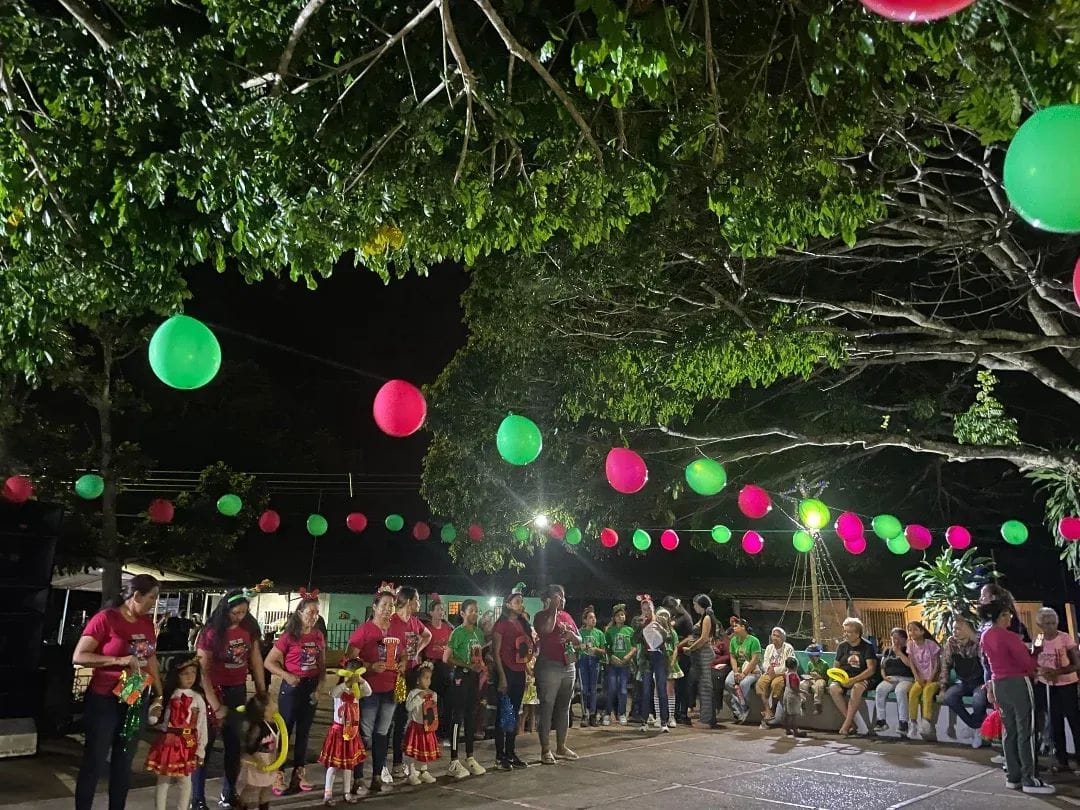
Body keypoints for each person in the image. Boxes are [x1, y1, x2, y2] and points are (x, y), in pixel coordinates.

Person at [73, 573, 164, 810]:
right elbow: (79, 656)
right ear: (136, 595)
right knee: (95, 760)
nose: (154, 603)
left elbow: (150, 658)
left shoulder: (146, 624)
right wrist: (119, 660)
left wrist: (159, 693)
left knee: (124, 762)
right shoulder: (106, 619)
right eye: (152, 597)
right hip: (104, 699)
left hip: (134, 697)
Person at [193, 587, 267, 810]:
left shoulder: (249, 629)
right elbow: (202, 670)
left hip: (237, 690)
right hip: (214, 691)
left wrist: (262, 692)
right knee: (204, 748)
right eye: (235, 613)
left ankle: (229, 793)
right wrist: (215, 704)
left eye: (243, 612)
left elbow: (255, 661)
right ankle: (197, 799)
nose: (239, 617)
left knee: (234, 746)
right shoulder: (211, 633)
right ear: (225, 610)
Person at [978, 599, 1054, 795]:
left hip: (999, 684)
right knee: (1025, 731)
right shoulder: (1009, 636)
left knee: (1008, 730)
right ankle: (1030, 779)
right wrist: (1037, 650)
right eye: (1006, 614)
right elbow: (1027, 663)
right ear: (999, 616)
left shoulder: (985, 636)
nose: (1010, 617)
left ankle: (1013, 777)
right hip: (1018, 684)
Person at [263, 589, 325, 796]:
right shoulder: (289, 636)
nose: (314, 616)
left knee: (304, 732)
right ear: (299, 613)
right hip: (291, 688)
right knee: (285, 731)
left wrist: (319, 688)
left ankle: (299, 772)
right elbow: (269, 662)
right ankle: (278, 773)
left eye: (317, 612)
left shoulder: (318, 635)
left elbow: (322, 665)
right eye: (310, 612)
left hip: (310, 687)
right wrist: (286, 675)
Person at [344, 584, 401, 797]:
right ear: (375, 607)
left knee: (382, 733)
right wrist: (368, 667)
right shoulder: (365, 630)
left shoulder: (395, 630)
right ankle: (358, 777)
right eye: (384, 605)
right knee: (364, 734)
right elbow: (349, 658)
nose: (388, 609)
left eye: (391, 605)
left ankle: (377, 776)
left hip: (390, 688)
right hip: (368, 690)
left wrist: (403, 662)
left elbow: (402, 652)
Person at [145, 656, 208, 810]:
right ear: (176, 675)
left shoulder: (198, 698)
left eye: (193, 672)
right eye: (185, 673)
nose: (190, 677)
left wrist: (201, 749)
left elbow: (202, 725)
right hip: (168, 742)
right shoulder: (168, 695)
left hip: (187, 743)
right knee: (163, 781)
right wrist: (154, 712)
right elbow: (154, 720)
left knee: (185, 782)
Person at [534, 584, 581, 764]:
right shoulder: (541, 616)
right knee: (547, 707)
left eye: (562, 596)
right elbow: (545, 630)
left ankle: (561, 746)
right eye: (558, 596)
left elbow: (579, 639)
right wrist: (552, 609)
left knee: (564, 707)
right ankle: (545, 749)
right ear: (548, 599)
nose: (562, 599)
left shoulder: (567, 616)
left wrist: (572, 637)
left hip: (568, 665)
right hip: (549, 666)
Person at [388, 587, 432, 780]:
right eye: (417, 600)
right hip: (393, 675)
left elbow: (428, 636)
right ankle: (387, 763)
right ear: (407, 601)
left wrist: (417, 651)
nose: (419, 604)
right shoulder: (391, 621)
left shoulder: (415, 622)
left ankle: (401, 762)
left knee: (405, 719)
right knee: (390, 718)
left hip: (411, 673)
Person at [444, 598, 488, 778]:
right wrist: (467, 666)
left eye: (476, 610)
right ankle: (454, 760)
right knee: (458, 716)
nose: (475, 613)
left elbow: (481, 655)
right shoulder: (457, 633)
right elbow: (446, 658)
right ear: (462, 613)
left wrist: (482, 666)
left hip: (474, 678)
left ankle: (470, 756)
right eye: (471, 610)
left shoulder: (479, 633)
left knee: (471, 715)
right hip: (460, 677)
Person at [1033, 607, 1080, 773]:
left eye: (1053, 623)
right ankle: (1062, 760)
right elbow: (1034, 659)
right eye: (1046, 624)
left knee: (1075, 721)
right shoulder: (1039, 639)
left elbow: (1076, 664)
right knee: (1055, 722)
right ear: (1040, 625)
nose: (1051, 627)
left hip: (1067, 684)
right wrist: (1042, 671)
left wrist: (1057, 672)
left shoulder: (1065, 638)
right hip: (1048, 686)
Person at [491, 588, 533, 770]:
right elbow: (496, 652)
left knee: (514, 714)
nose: (520, 604)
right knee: (504, 714)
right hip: (506, 672)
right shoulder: (501, 625)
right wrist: (501, 677)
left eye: (521, 601)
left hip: (519, 671)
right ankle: (500, 755)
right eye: (516, 601)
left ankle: (511, 752)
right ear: (507, 604)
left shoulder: (523, 623)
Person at [318, 660, 370, 805]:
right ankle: (327, 793)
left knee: (349, 765)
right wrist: (345, 684)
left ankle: (346, 792)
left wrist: (361, 680)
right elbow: (333, 693)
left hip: (352, 731)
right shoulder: (339, 690)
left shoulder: (357, 692)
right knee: (333, 765)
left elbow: (369, 691)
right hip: (338, 732)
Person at [939, 615, 988, 748]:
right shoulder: (951, 643)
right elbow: (945, 666)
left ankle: (976, 728)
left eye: (958, 629)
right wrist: (943, 688)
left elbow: (985, 663)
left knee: (979, 701)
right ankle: (975, 725)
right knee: (949, 697)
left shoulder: (978, 642)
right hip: (963, 682)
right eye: (953, 628)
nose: (954, 631)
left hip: (980, 681)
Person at [829, 617, 877, 736]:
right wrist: (842, 680)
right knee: (833, 688)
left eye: (848, 632)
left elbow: (871, 669)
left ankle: (846, 725)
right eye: (844, 631)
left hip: (862, 678)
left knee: (857, 688)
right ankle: (851, 723)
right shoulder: (842, 646)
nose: (845, 634)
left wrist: (853, 680)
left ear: (857, 633)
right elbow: (836, 667)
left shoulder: (867, 646)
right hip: (845, 678)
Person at [682, 595, 721, 728]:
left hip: (704, 654)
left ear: (700, 605)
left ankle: (708, 719)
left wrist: (691, 648)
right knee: (703, 686)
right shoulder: (703, 617)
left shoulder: (707, 618)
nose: (694, 607)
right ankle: (706, 717)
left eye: (695, 605)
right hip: (699, 654)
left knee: (706, 687)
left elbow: (704, 638)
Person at [235, 693, 278, 810]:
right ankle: (241, 806)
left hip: (270, 761)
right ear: (265, 709)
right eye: (272, 702)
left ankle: (264, 807)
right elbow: (247, 750)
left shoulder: (275, 724)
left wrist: (277, 762)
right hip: (257, 762)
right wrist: (256, 762)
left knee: (267, 787)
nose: (275, 704)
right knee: (252, 787)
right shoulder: (258, 727)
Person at [402, 661, 441, 786]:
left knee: (425, 750)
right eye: (425, 678)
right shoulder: (413, 693)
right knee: (413, 751)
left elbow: (434, 710)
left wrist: (432, 698)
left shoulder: (433, 693)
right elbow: (408, 707)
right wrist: (419, 697)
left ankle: (424, 770)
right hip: (415, 726)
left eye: (430, 678)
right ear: (418, 680)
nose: (428, 681)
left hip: (427, 727)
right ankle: (412, 773)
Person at [874, 627, 914, 735]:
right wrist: (884, 676)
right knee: (880, 690)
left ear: (904, 639)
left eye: (898, 638)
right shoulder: (887, 650)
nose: (895, 641)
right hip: (891, 677)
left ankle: (903, 722)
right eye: (893, 638)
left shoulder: (908, 649)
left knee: (900, 691)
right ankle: (881, 721)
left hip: (906, 678)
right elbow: (882, 665)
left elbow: (910, 665)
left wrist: (899, 653)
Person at [423, 595, 452, 740]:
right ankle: (429, 730)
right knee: (431, 700)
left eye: (443, 609)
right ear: (431, 612)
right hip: (431, 667)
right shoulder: (426, 629)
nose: (442, 612)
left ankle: (443, 732)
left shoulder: (448, 628)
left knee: (446, 701)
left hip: (445, 667)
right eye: (439, 609)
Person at [639, 601, 671, 733]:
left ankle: (664, 721)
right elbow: (634, 639)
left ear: (653, 608)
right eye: (644, 609)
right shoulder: (639, 621)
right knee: (646, 690)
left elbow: (670, 637)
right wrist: (640, 627)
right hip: (647, 658)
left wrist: (662, 630)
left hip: (659, 657)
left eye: (649, 608)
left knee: (662, 689)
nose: (647, 611)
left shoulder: (661, 620)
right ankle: (644, 721)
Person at [662, 596, 695, 725]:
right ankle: (674, 712)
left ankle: (682, 713)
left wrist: (677, 645)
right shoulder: (673, 616)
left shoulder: (684, 617)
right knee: (673, 685)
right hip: (672, 654)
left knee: (682, 685)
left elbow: (690, 636)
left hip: (683, 654)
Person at [723, 617, 761, 724]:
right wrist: (735, 672)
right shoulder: (733, 641)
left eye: (736, 626)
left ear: (743, 627)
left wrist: (744, 674)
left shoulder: (754, 641)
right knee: (728, 682)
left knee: (743, 685)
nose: (733, 628)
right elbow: (733, 657)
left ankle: (742, 707)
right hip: (739, 669)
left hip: (753, 670)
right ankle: (741, 707)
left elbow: (755, 660)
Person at [756, 627, 795, 727]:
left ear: (782, 638)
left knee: (776, 684)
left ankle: (772, 708)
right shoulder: (769, 648)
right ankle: (768, 710)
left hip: (781, 674)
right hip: (769, 672)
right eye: (773, 635)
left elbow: (788, 665)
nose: (775, 638)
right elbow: (765, 662)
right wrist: (768, 669)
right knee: (760, 683)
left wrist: (775, 671)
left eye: (777, 636)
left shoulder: (788, 648)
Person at [604, 604, 635, 726]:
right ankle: (607, 713)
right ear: (614, 618)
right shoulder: (610, 631)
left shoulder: (630, 630)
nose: (620, 617)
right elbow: (607, 647)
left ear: (625, 616)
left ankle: (622, 713)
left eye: (622, 615)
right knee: (611, 689)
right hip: (613, 665)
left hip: (625, 665)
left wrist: (628, 656)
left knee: (622, 690)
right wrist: (612, 657)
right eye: (617, 615)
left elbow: (634, 646)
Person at [576, 606, 606, 728]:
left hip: (594, 661)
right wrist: (581, 647)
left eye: (594, 618)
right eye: (590, 618)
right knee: (584, 688)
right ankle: (584, 714)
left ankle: (593, 714)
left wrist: (596, 649)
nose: (593, 620)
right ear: (585, 620)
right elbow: (574, 647)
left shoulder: (599, 633)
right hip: (583, 660)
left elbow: (604, 651)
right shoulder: (579, 632)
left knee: (593, 689)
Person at [799, 644, 828, 714]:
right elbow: (808, 673)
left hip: (820, 679)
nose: (810, 658)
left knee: (818, 685)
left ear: (818, 656)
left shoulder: (824, 664)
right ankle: (802, 701)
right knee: (802, 684)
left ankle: (817, 704)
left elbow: (827, 678)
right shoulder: (809, 664)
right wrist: (807, 676)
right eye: (810, 657)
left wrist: (819, 676)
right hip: (811, 679)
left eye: (812, 657)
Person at [781, 657, 806, 739]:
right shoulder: (793, 676)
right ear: (796, 665)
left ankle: (788, 729)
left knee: (787, 713)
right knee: (794, 714)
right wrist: (803, 692)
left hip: (786, 693)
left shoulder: (786, 674)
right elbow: (794, 688)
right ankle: (795, 730)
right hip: (793, 696)